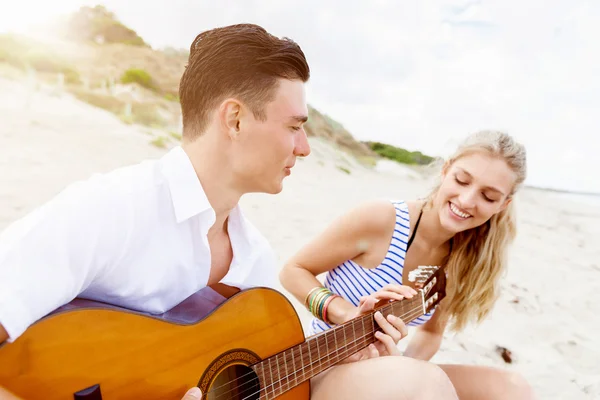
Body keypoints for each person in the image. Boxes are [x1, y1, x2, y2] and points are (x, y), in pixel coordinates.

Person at [0, 24, 451, 400]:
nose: (305, 147)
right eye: (294, 127)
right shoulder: (111, 208)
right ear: (235, 119)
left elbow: (252, 375)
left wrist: (341, 348)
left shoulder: (253, 257)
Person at [280, 130, 537, 400]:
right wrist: (345, 314)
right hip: (318, 367)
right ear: (446, 170)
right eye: (462, 180)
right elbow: (293, 271)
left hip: (381, 373)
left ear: (503, 205)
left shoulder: (461, 259)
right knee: (427, 382)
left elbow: (430, 333)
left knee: (512, 389)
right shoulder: (383, 219)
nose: (467, 200)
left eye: (488, 197)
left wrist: (400, 363)